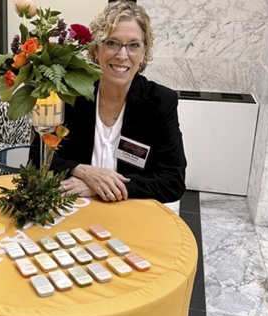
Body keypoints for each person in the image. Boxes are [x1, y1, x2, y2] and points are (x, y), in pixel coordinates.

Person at [29, 0, 186, 204]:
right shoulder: (71, 95)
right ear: (95, 49)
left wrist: (99, 187)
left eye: (133, 45)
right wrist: (83, 171)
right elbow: (37, 158)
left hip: (129, 209)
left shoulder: (160, 102)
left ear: (144, 51)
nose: (122, 55)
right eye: (111, 43)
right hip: (74, 208)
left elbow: (172, 181)